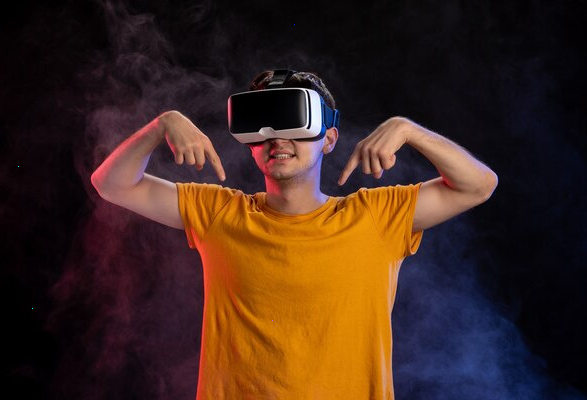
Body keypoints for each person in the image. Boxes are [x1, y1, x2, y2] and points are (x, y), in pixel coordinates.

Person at [91, 70, 498, 399]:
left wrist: (408, 130)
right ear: (251, 143)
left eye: (294, 121)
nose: (277, 138)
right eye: (263, 125)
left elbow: (478, 185)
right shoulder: (218, 213)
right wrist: (162, 124)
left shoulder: (376, 217)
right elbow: (111, 183)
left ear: (328, 139)